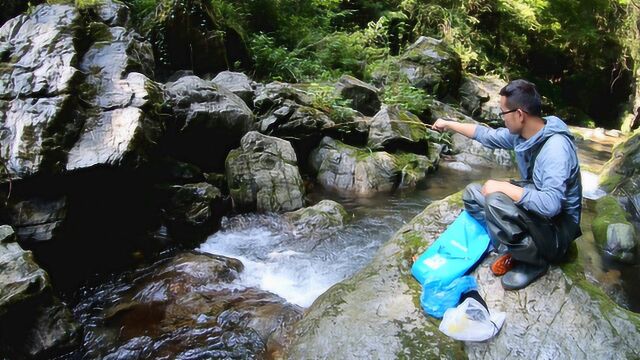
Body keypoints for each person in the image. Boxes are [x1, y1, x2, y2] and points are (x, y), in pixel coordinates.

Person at [432, 79, 582, 290]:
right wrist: (448, 124)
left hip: (557, 232)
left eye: (503, 113)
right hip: (538, 217)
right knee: (473, 194)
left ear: (520, 115)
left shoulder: (556, 149)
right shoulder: (525, 133)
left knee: (495, 201)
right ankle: (513, 246)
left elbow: (551, 205)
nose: (501, 118)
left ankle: (536, 261)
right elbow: (486, 135)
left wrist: (504, 187)